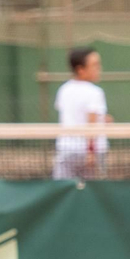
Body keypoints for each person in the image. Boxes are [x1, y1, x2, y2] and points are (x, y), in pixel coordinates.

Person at [54, 47, 111, 180]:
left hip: (66, 150)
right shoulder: (95, 92)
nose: (99, 69)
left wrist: (102, 119)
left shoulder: (63, 89)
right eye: (94, 65)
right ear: (80, 69)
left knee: (63, 190)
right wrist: (90, 152)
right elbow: (90, 123)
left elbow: (73, 115)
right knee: (94, 194)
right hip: (90, 152)